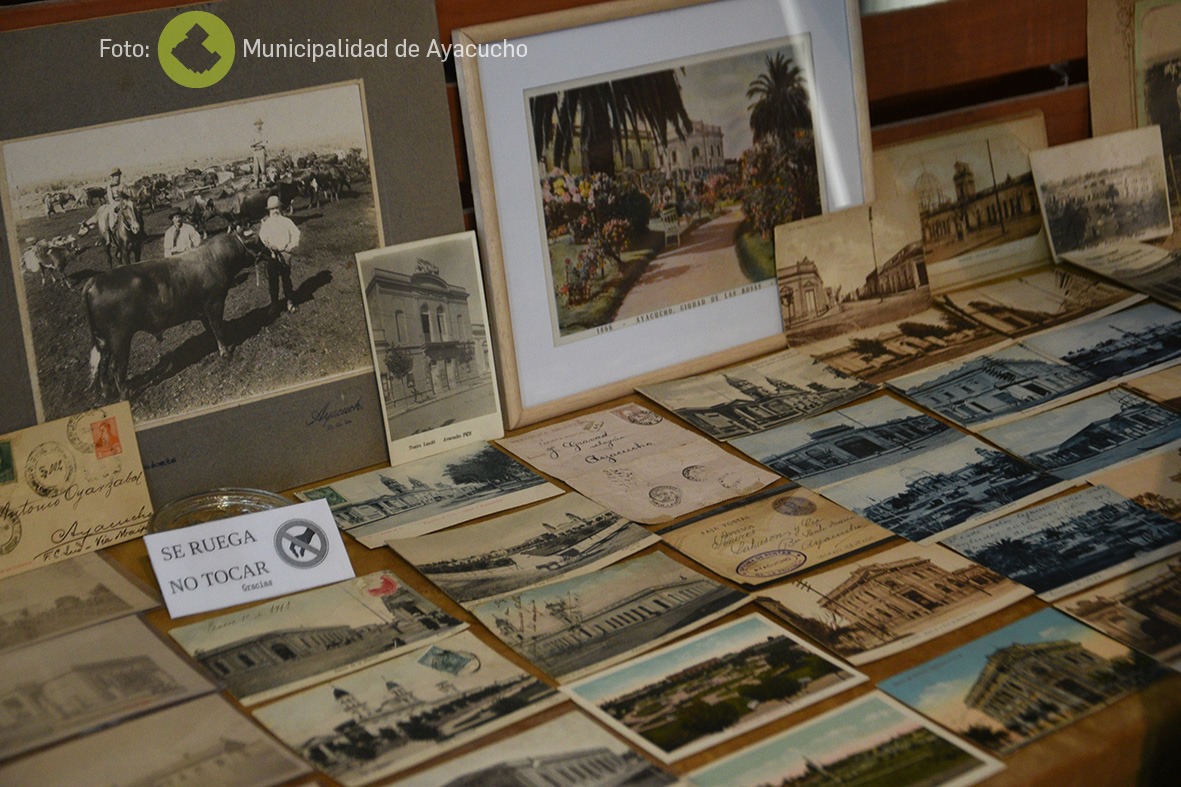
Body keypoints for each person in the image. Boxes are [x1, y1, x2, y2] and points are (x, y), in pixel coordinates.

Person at [258, 195, 300, 315]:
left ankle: (289, 302)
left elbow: (296, 234)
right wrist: (269, 246)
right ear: (269, 211)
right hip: (272, 256)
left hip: (284, 254)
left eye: (277, 208)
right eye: (272, 209)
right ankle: (274, 304)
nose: (275, 211)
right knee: (273, 281)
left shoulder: (286, 221)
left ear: (280, 209)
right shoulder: (266, 224)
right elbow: (262, 237)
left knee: (286, 279)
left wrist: (290, 247)